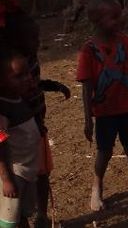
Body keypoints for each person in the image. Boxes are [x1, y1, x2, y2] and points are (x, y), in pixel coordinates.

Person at [77, 0, 128, 215]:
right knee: (105, 152)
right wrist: (87, 119)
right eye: (114, 17)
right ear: (98, 21)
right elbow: (86, 87)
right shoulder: (88, 51)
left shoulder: (127, 43)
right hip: (105, 112)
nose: (120, 21)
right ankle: (97, 187)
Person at [1, 12, 70, 227]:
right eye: (33, 39)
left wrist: (52, 86)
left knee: (39, 179)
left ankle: (40, 215)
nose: (38, 43)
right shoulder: (6, 103)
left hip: (33, 140)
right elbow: (1, 141)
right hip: (17, 164)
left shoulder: (23, 66)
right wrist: (5, 178)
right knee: (11, 214)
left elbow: (35, 85)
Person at [0, 47, 41, 228]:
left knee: (23, 214)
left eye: (27, 73)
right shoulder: (3, 110)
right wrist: (7, 179)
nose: (27, 78)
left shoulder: (19, 100)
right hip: (14, 173)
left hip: (27, 171)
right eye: (19, 76)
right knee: (9, 221)